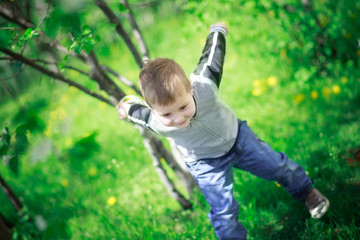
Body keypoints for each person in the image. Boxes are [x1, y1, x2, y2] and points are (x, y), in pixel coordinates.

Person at [116, 22, 330, 240]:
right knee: (223, 212)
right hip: (206, 162)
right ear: (154, 110)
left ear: (191, 88)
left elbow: (212, 56)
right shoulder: (155, 120)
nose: (178, 118)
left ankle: (307, 193)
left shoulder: (204, 85)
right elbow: (137, 113)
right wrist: (126, 107)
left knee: (278, 167)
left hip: (239, 139)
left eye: (183, 107)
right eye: (167, 114)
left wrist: (217, 31)